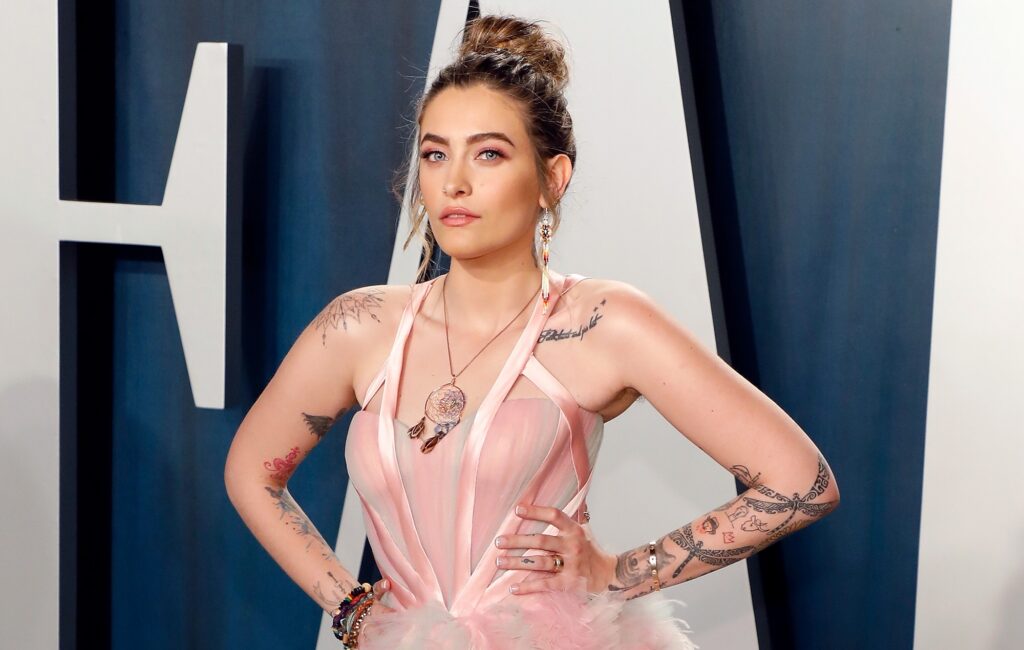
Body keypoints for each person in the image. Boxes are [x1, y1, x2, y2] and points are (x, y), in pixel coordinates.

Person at [225, 14, 840, 649]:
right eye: (435, 154)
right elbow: (251, 471)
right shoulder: (359, 326)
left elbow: (802, 481)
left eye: (489, 153)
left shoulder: (602, 322)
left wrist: (620, 572)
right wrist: (351, 607)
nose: (454, 182)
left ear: (553, 178)